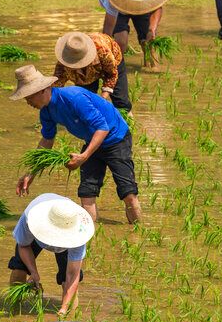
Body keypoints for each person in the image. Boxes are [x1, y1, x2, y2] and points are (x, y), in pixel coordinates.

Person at [10, 64, 142, 224]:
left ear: (42, 90)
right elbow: (47, 140)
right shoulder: (46, 112)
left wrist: (84, 156)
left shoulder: (73, 98)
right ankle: (89, 240)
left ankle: (136, 233)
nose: (28, 102)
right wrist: (31, 173)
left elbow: (103, 127)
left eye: (29, 97)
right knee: (86, 194)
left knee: (128, 193)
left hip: (116, 138)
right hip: (93, 141)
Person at [8, 193, 94, 318]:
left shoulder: (79, 234)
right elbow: (23, 246)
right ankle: (14, 309)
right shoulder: (30, 219)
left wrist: (64, 308)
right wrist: (33, 272)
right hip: (36, 236)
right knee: (19, 267)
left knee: (66, 280)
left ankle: (71, 317)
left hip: (68, 237)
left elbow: (72, 274)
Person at [99, 0, 175, 69]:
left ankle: (151, 68)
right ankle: (117, 69)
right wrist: (104, 54)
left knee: (148, 43)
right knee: (121, 42)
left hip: (141, 5)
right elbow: (107, 31)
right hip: (119, 9)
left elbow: (157, 7)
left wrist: (152, 30)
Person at [53, 31, 130, 111]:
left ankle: (128, 119)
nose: (77, 67)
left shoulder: (103, 51)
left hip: (112, 61)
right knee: (85, 103)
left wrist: (103, 98)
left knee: (121, 102)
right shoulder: (63, 62)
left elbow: (112, 74)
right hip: (87, 75)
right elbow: (56, 86)